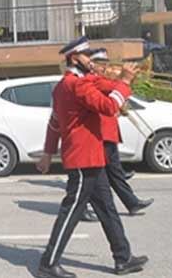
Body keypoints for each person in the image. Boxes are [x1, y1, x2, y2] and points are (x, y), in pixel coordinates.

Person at [36, 37, 148, 278]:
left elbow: (55, 122)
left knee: (106, 208)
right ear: (75, 58)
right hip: (83, 158)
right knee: (71, 210)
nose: (91, 60)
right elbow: (109, 107)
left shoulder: (66, 85)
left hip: (92, 157)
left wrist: (121, 80)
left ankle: (123, 257)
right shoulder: (77, 85)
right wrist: (125, 81)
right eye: (87, 56)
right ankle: (48, 262)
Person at [80, 49, 153, 223]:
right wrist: (125, 77)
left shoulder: (101, 80)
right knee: (96, 176)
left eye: (106, 64)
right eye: (101, 64)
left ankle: (131, 202)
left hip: (108, 133)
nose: (105, 68)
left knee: (114, 173)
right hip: (101, 134)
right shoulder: (95, 82)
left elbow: (116, 96)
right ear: (92, 65)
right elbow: (116, 88)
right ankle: (82, 207)